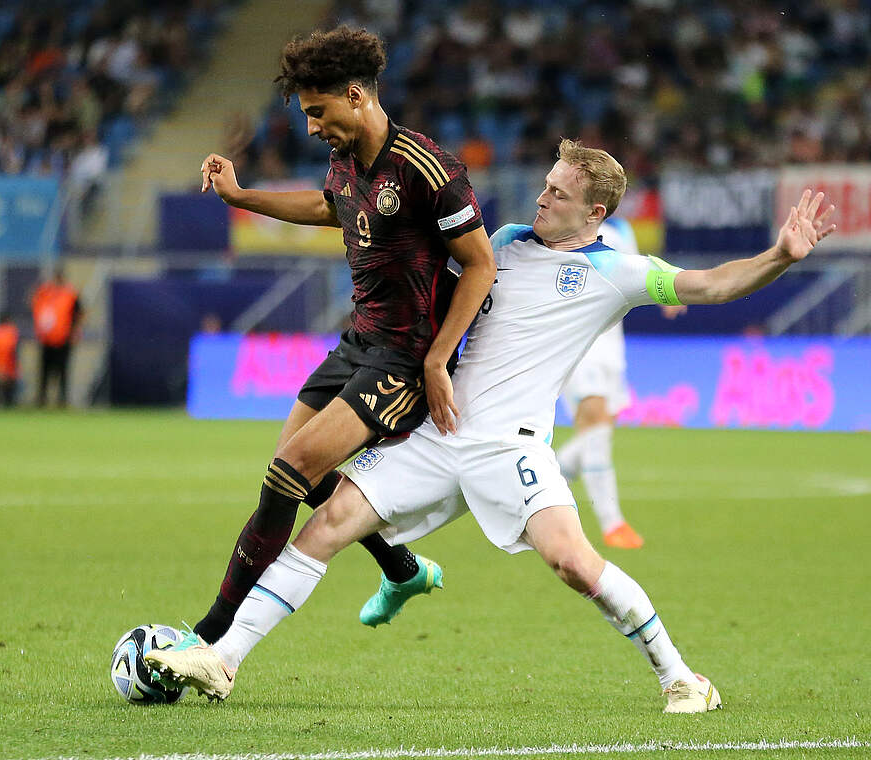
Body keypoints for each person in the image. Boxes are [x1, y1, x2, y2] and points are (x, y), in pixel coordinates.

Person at [147, 140, 835, 714]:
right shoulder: (502, 243)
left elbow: (713, 284)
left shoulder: (617, 273)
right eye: (546, 185)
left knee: (573, 563)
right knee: (325, 526)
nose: (542, 198)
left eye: (559, 194)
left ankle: (682, 677)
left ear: (595, 212)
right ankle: (223, 659)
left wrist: (779, 256)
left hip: (510, 447)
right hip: (436, 434)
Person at [183, 26, 495, 647]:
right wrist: (241, 196)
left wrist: (437, 361)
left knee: (288, 473)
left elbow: (481, 264)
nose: (311, 127)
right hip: (358, 343)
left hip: (404, 358)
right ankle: (400, 568)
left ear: (355, 95)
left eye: (317, 112)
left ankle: (209, 636)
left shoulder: (426, 167)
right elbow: (331, 207)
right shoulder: (346, 158)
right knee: (291, 469)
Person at [555, 216, 686, 549]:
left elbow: (638, 270)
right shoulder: (563, 221)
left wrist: (667, 292)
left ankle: (548, 475)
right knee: (595, 422)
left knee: (600, 429)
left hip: (612, 344)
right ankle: (612, 523)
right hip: (578, 340)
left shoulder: (622, 229)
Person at [31, 269, 83, 407]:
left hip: (63, 338)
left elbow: (79, 313)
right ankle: (42, 399)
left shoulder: (70, 294)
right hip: (47, 338)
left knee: (63, 371)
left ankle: (62, 400)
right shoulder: (45, 293)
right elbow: (35, 305)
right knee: (44, 371)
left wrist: (75, 331)